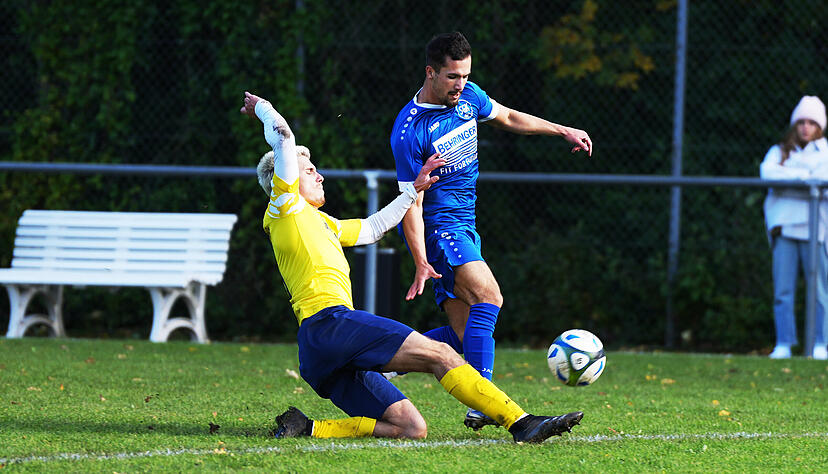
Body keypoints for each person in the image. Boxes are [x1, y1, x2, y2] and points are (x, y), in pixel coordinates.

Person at [239, 91, 584, 442]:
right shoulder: (283, 207)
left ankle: (307, 428)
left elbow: (373, 228)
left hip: (320, 349)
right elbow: (283, 135)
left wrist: (412, 191)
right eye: (309, 170)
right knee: (442, 354)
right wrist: (262, 109)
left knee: (411, 428)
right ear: (285, 180)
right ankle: (521, 423)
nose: (319, 175)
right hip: (331, 325)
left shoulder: (323, 223)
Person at [389, 31, 593, 429]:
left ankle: (378, 361)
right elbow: (410, 203)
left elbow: (509, 117)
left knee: (464, 337)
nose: (460, 85)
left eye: (465, 75)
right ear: (430, 73)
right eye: (452, 77)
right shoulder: (408, 130)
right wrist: (419, 259)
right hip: (440, 230)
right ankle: (485, 400)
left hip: (466, 224)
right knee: (490, 296)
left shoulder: (468, 97)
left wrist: (562, 130)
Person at [760, 95, 828, 360]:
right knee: (783, 290)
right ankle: (784, 344)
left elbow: (824, 180)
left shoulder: (825, 152)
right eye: (801, 122)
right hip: (785, 229)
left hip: (817, 231)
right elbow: (768, 174)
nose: (805, 127)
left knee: (821, 291)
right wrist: (807, 181)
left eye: (811, 122)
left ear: (819, 126)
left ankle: (820, 344)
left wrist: (791, 181)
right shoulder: (778, 152)